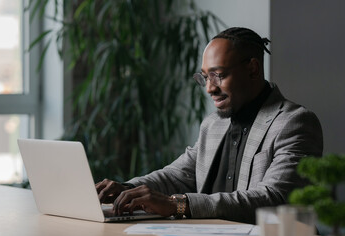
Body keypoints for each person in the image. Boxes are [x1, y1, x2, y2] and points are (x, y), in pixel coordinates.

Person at [95, 27, 323, 224]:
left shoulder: (294, 122)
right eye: (205, 77)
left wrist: (179, 205)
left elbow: (273, 198)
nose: (209, 88)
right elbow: (175, 176)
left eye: (218, 75)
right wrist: (126, 189)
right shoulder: (213, 125)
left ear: (252, 69)